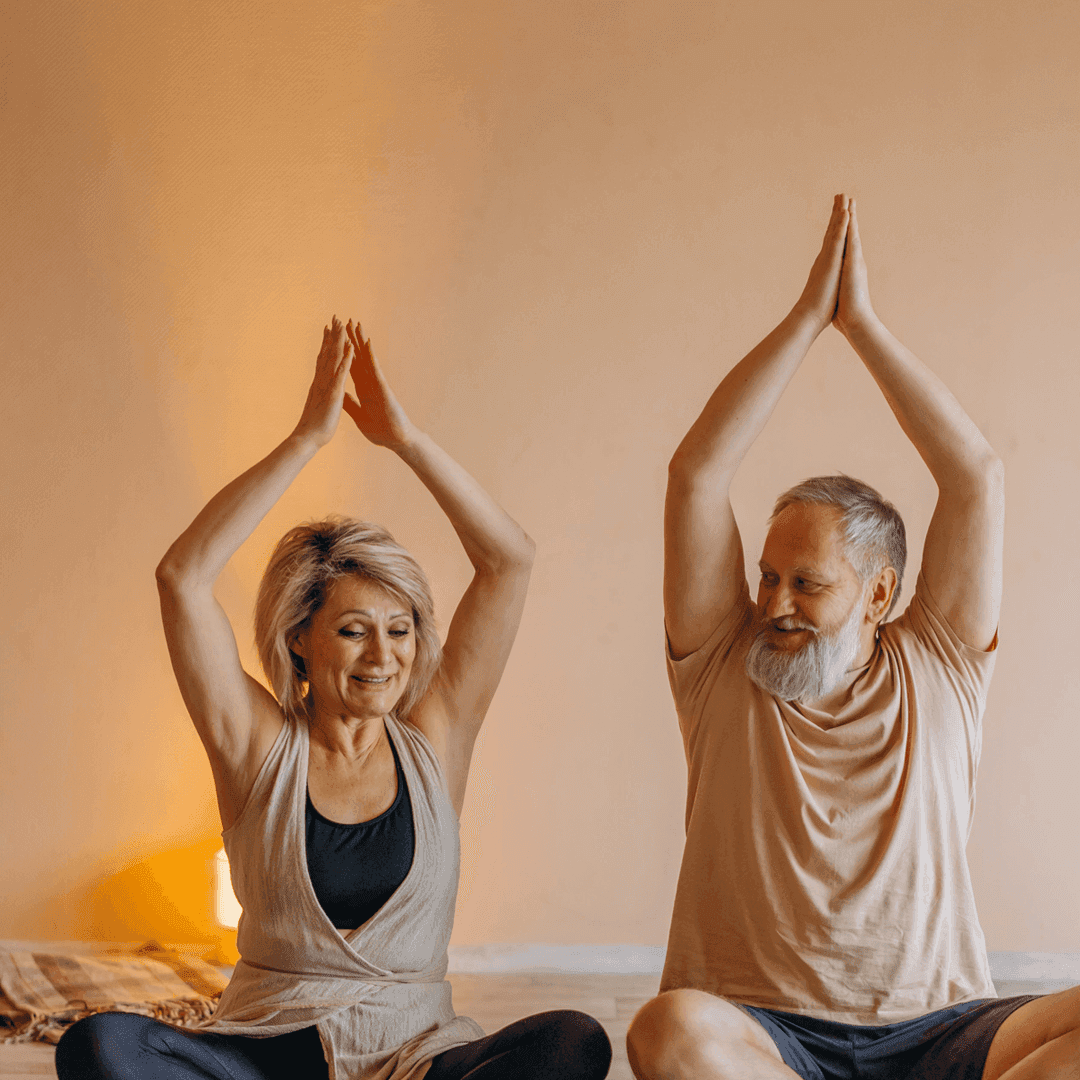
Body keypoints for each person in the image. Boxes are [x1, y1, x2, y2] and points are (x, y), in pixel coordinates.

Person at [56, 319, 612, 1080]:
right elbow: (182, 577)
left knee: (573, 1040)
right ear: (299, 640)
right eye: (354, 631)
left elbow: (509, 560)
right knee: (102, 1047)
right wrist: (305, 440)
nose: (384, 657)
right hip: (266, 1052)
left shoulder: (437, 735)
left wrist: (404, 438)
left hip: (415, 1055)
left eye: (400, 629)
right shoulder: (255, 744)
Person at [626, 197, 1080, 1079]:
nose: (776, 601)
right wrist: (804, 321)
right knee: (666, 1034)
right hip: (766, 1036)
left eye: (808, 584)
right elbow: (696, 474)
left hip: (943, 1029)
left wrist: (862, 326)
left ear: (880, 594)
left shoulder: (939, 664)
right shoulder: (724, 662)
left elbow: (975, 475)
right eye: (768, 576)